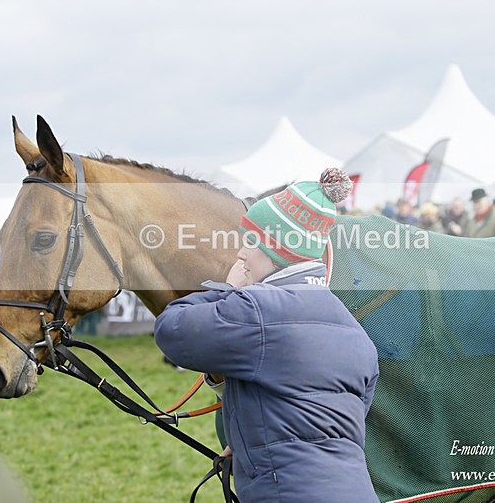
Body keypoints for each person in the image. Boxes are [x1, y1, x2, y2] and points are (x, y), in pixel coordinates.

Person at [154, 169, 380, 502]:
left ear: (275, 249)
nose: (242, 254)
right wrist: (250, 441)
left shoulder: (257, 309)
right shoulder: (355, 332)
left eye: (251, 242)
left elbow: (172, 330)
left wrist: (228, 289)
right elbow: (323, 419)